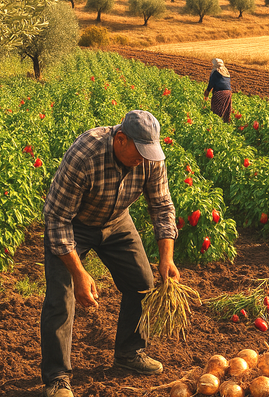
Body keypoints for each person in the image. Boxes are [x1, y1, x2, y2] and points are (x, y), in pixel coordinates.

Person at [40, 110, 179, 397]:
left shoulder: (150, 159)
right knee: (61, 298)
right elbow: (56, 218)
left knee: (142, 283)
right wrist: (79, 273)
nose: (143, 159)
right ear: (120, 140)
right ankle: (57, 376)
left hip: (116, 221)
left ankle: (129, 353)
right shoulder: (85, 154)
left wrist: (166, 257)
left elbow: (162, 207)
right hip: (73, 224)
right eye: (139, 152)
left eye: (148, 153)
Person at [204, 58, 232, 123]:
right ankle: (226, 123)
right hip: (228, 93)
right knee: (225, 109)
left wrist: (207, 92)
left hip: (220, 93)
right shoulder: (226, 71)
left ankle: (217, 123)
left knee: (216, 109)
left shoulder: (216, 72)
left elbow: (211, 83)